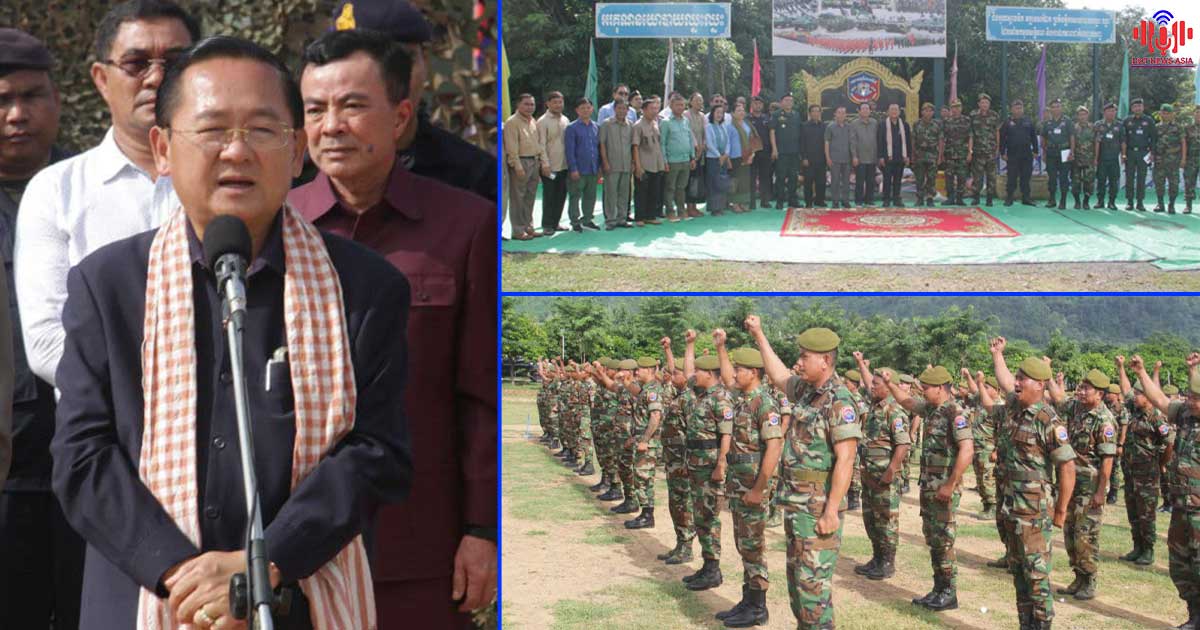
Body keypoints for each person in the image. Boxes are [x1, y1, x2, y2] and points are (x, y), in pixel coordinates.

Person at [51, 35, 412, 630]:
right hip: (145, 596)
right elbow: (82, 457)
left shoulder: (364, 287)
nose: (237, 151)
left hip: (299, 600)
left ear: (296, 152)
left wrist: (265, 565)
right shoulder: (107, 285)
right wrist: (182, 576)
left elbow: (377, 452)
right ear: (163, 149)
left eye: (263, 130)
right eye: (213, 129)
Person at [289, 28, 496, 626]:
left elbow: (482, 394)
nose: (331, 126)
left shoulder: (465, 226)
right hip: (293, 545)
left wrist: (483, 528)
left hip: (419, 543)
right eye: (314, 110)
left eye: (352, 106)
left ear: (401, 115)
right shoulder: (276, 225)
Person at [16, 0, 195, 387]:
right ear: (101, 79)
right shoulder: (56, 191)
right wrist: (155, 390)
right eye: (136, 63)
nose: (156, 77)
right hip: (102, 417)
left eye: (175, 62)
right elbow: (47, 343)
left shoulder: (231, 179)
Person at [0, 27, 82, 630]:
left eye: (31, 96)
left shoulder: (87, 188)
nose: (17, 115)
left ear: (57, 99)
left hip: (89, 457)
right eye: (2, 100)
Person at [746, 317, 860, 629]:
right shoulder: (807, 391)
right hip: (797, 506)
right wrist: (759, 335)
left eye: (805, 356)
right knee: (798, 586)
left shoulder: (840, 401)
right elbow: (779, 375)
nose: (799, 362)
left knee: (813, 590)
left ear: (825, 361)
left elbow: (846, 459)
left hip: (818, 508)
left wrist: (831, 511)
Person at [330, 0, 496, 201]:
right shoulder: (303, 176)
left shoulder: (477, 179)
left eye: (399, 62)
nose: (384, 80)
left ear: (425, 61)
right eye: (357, 65)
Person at [979, 339, 1076, 630]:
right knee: (1019, 574)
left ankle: (1042, 624)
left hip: (1034, 513)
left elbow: (1067, 467)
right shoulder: (1014, 407)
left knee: (1036, 577)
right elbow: (1004, 380)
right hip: (1011, 509)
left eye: (1023, 379)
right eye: (1018, 377)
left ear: (1040, 385)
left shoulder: (1048, 420)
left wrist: (1061, 512)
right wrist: (997, 355)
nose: (1017, 383)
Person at [885, 365, 974, 612]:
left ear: (940, 388)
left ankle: (948, 592)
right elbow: (906, 401)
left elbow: (967, 450)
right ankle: (938, 588)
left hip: (944, 490)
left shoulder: (955, 412)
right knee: (934, 538)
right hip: (930, 488)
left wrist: (950, 484)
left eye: (926, 388)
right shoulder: (932, 409)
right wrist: (890, 383)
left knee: (943, 540)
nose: (922, 392)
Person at [1123, 353, 1200, 630]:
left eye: (1196, 398)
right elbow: (1159, 400)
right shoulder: (1186, 415)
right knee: (1181, 567)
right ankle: (1195, 615)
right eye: (1190, 397)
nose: (1190, 402)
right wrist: (1142, 372)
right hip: (1181, 508)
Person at [712, 343, 785, 628]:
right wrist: (720, 347)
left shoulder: (764, 403)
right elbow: (726, 376)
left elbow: (774, 447)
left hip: (753, 486)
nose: (734, 374)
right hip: (740, 485)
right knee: (744, 544)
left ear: (753, 372)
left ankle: (757, 607)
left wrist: (759, 489)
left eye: (739, 369)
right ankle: (748, 599)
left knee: (753, 546)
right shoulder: (743, 399)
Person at [1046, 369, 1117, 601]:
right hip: (1071, 483)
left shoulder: (1104, 420)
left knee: (1085, 535)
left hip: (1090, 487)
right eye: (1081, 387)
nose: (1081, 391)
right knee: (1070, 532)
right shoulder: (1076, 407)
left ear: (1100, 394)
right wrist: (1048, 375)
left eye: (1087, 389)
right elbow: (1058, 397)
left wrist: (1100, 492)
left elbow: (1107, 461)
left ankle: (1089, 579)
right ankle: (1078, 576)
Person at [680, 331, 734, 592]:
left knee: (709, 516)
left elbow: (727, 434)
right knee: (700, 515)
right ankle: (707, 564)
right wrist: (690, 344)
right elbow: (687, 370)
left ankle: (713, 569)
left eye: (699, 372)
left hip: (710, 465)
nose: (694, 375)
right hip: (696, 464)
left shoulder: (720, 398)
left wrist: (721, 464)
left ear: (710, 374)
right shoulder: (701, 394)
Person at [850, 355, 911, 582]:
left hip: (885, 477)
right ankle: (876, 558)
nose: (871, 387)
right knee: (871, 519)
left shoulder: (894, 411)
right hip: (869, 475)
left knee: (886, 520)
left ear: (888, 386)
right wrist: (861, 365)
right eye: (872, 384)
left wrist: (891, 471)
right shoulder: (874, 407)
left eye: (876, 384)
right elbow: (868, 381)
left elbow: (903, 444)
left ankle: (887, 562)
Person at [1113, 356, 1173, 565]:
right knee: (1133, 511)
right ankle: (1137, 546)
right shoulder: (1134, 410)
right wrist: (1121, 367)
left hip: (1147, 474)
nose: (1135, 396)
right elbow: (1125, 388)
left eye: (1139, 394)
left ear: (1148, 396)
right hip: (1130, 472)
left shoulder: (1157, 417)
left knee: (1146, 514)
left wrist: (1161, 463)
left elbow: (1169, 443)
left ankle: (1148, 550)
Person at [658, 338, 695, 564]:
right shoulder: (678, 394)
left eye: (676, 374)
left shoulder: (689, 399)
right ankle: (680, 543)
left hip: (682, 462)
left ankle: (687, 547)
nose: (672, 377)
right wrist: (668, 350)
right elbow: (674, 368)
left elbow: (693, 433)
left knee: (684, 505)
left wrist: (687, 463)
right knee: (675, 504)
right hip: (673, 460)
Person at [502, 93, 548, 240]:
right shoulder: (512, 122)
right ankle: (518, 230)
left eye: (532, 104)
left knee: (530, 197)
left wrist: (541, 162)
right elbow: (511, 147)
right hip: (521, 162)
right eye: (526, 104)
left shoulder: (532, 121)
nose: (530, 107)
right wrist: (517, 166)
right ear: (518, 105)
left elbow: (538, 144)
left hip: (534, 161)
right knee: (518, 198)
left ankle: (529, 226)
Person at [564, 97, 601, 233]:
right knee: (575, 196)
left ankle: (587, 219)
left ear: (592, 109)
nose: (586, 110)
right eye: (582, 108)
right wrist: (573, 169)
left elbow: (598, 148)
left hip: (593, 168)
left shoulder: (596, 127)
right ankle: (575, 221)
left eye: (588, 107)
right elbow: (570, 150)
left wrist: (599, 167)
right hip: (578, 169)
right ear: (577, 110)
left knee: (590, 196)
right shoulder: (571, 128)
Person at [536, 91, 569, 234]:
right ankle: (547, 225)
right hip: (549, 166)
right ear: (548, 104)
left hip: (564, 165)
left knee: (561, 195)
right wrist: (545, 164)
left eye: (560, 102)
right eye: (554, 102)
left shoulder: (565, 120)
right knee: (549, 195)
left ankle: (556, 223)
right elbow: (541, 145)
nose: (558, 105)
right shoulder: (542, 121)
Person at [598, 98, 634, 230]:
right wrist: (605, 162)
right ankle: (610, 220)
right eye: (619, 108)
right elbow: (602, 144)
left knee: (624, 193)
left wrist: (633, 162)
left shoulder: (630, 125)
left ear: (628, 110)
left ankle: (622, 218)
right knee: (611, 193)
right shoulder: (607, 124)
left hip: (626, 164)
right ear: (614, 109)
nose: (622, 111)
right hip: (612, 164)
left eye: (624, 108)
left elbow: (632, 145)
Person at [661, 93, 696, 222]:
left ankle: (682, 211)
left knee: (682, 187)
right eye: (677, 105)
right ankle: (670, 212)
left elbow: (690, 140)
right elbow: (662, 143)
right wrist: (665, 161)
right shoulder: (666, 122)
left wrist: (692, 157)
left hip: (685, 160)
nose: (680, 107)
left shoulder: (686, 121)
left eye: (682, 105)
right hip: (672, 161)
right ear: (671, 106)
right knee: (670, 187)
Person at [632, 96, 665, 226]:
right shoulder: (638, 125)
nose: (654, 111)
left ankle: (650, 216)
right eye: (651, 109)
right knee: (641, 192)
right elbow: (635, 146)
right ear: (644, 110)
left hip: (656, 164)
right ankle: (639, 217)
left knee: (654, 191)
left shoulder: (655, 124)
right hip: (644, 164)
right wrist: (638, 166)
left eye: (656, 108)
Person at [1000, 100, 1037, 206]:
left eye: (1020, 108)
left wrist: (1035, 150)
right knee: (1011, 177)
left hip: (1026, 153)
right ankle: (1009, 198)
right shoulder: (1007, 122)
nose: (1019, 110)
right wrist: (1002, 152)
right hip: (1012, 154)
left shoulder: (1028, 121)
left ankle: (1026, 198)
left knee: (1026, 177)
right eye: (1016, 108)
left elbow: (1033, 136)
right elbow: (1002, 138)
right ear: (1012, 109)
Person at [1123, 97, 1155, 211]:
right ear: (1132, 108)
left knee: (1141, 178)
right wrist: (1123, 153)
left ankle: (1140, 202)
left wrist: (1152, 152)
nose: (1138, 108)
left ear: (1143, 107)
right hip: (1130, 152)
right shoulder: (1127, 121)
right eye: (1135, 106)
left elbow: (1153, 138)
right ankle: (1130, 202)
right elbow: (1123, 138)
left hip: (1144, 152)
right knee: (1129, 178)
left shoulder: (1149, 120)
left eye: (1139, 106)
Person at [770, 94, 802, 209]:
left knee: (793, 177)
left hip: (794, 151)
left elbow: (800, 132)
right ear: (781, 102)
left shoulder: (796, 115)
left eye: (791, 100)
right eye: (786, 100)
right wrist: (774, 149)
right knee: (781, 177)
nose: (789, 102)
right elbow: (772, 132)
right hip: (781, 151)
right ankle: (780, 201)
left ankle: (792, 200)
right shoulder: (776, 115)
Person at [969, 93, 1002, 206]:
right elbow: (971, 134)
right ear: (979, 104)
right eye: (982, 102)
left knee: (991, 176)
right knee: (977, 176)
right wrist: (970, 150)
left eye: (986, 103)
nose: (984, 105)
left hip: (990, 151)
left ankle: (989, 198)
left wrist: (997, 147)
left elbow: (997, 132)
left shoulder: (994, 115)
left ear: (989, 104)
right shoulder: (973, 115)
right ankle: (976, 197)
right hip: (977, 151)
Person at [1040, 98, 1073, 209]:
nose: (1056, 109)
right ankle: (1052, 199)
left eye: (1058, 106)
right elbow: (1043, 138)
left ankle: (1063, 201)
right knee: (1052, 178)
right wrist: (1044, 152)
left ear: (1061, 108)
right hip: (1051, 153)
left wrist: (1072, 151)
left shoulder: (1067, 121)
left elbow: (1072, 137)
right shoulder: (1047, 123)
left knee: (1064, 178)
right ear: (1050, 109)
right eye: (1053, 107)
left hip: (1065, 152)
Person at [876, 103, 911, 207]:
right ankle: (886, 199)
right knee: (887, 179)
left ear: (899, 112)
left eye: (896, 110)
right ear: (888, 112)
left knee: (898, 180)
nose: (894, 112)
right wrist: (881, 156)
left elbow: (908, 142)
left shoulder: (904, 125)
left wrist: (908, 156)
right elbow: (880, 141)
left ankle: (897, 199)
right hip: (887, 158)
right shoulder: (882, 125)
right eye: (892, 109)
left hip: (900, 157)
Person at [1153, 103, 1184, 213]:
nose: (1165, 115)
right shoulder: (1156, 127)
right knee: (1159, 183)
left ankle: (1171, 205)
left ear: (1172, 114)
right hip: (1159, 160)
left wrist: (1183, 158)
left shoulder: (1178, 127)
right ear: (1160, 113)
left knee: (1173, 184)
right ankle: (1160, 204)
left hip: (1173, 160)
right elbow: (1153, 143)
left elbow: (1183, 143)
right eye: (1163, 113)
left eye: (1167, 113)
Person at [911, 102, 943, 206]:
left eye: (930, 111)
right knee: (919, 178)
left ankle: (930, 198)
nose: (928, 113)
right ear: (922, 112)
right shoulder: (916, 124)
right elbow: (913, 140)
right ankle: (920, 198)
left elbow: (940, 140)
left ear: (933, 112)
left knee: (931, 178)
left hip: (932, 154)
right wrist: (912, 155)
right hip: (919, 154)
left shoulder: (937, 124)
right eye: (926, 110)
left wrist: (940, 156)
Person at [941, 100, 971, 206]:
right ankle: (950, 198)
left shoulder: (967, 120)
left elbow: (970, 137)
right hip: (949, 153)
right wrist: (941, 153)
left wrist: (970, 152)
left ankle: (960, 198)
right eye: (953, 107)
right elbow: (942, 138)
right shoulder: (946, 121)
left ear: (961, 108)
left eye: (958, 107)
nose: (956, 109)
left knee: (962, 176)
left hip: (962, 153)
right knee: (949, 176)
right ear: (951, 109)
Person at [1094, 103, 1123, 210]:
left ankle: (1112, 202)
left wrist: (1123, 155)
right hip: (1102, 158)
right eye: (1109, 111)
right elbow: (1096, 142)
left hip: (1114, 158)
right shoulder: (1098, 125)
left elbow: (1123, 141)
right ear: (1104, 112)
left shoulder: (1119, 125)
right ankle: (1100, 201)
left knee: (1113, 181)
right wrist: (1095, 158)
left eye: (1113, 111)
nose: (1111, 113)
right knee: (1101, 180)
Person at [704, 103, 732, 216]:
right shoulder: (708, 127)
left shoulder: (723, 126)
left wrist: (725, 154)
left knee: (722, 182)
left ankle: (721, 206)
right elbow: (709, 143)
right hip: (713, 159)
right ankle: (714, 208)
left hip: (723, 158)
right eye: (717, 112)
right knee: (713, 183)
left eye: (721, 113)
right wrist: (718, 155)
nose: (719, 115)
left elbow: (728, 142)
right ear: (713, 114)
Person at [850, 102, 879, 207]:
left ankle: (869, 200)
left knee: (871, 181)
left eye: (867, 108)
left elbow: (878, 139)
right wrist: (854, 156)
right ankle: (858, 201)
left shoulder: (875, 123)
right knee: (860, 181)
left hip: (872, 157)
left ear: (870, 111)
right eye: (863, 108)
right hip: (860, 157)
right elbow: (853, 141)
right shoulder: (854, 124)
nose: (865, 110)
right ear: (859, 111)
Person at [729, 102, 755, 213]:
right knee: (736, 181)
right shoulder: (729, 126)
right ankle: (734, 204)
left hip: (747, 156)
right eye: (738, 110)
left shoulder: (747, 124)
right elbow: (727, 143)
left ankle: (743, 203)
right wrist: (727, 158)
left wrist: (752, 155)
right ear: (733, 113)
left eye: (743, 110)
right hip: (734, 157)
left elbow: (752, 140)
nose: (741, 112)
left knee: (745, 181)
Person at [684, 92, 707, 217]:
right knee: (690, 180)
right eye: (697, 100)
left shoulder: (702, 116)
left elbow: (705, 132)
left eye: (701, 100)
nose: (699, 102)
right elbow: (689, 132)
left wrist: (703, 145)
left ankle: (694, 206)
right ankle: (689, 207)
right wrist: (696, 146)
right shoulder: (686, 115)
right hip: (690, 152)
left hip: (700, 152)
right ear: (691, 102)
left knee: (697, 179)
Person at [800, 104, 827, 208]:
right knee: (808, 182)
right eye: (813, 111)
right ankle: (808, 202)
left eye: (818, 111)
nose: (816, 113)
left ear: (820, 113)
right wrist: (804, 157)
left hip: (821, 159)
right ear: (810, 113)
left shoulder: (824, 126)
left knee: (821, 182)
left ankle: (819, 200)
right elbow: (802, 143)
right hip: (808, 159)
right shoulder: (804, 126)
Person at [825, 105, 852, 208]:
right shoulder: (830, 127)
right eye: (839, 112)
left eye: (843, 113)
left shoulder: (849, 127)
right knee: (835, 181)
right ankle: (835, 201)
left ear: (846, 115)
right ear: (835, 114)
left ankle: (845, 201)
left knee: (846, 182)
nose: (841, 115)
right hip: (834, 159)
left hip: (847, 159)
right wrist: (828, 157)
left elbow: (852, 143)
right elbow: (826, 143)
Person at [749, 96, 773, 209]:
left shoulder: (767, 118)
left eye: (759, 104)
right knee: (751, 177)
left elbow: (772, 134)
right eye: (755, 103)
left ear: (762, 106)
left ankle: (765, 201)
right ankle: (751, 202)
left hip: (765, 152)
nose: (757, 105)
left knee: (765, 177)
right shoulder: (747, 119)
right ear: (751, 105)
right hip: (752, 153)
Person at [1071, 105, 1096, 209]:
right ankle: (1077, 201)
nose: (1082, 116)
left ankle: (1086, 201)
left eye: (1084, 114)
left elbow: (1096, 143)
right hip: (1076, 159)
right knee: (1075, 182)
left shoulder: (1093, 128)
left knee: (1089, 182)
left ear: (1087, 115)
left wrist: (1096, 158)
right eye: (1080, 114)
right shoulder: (1073, 128)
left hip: (1089, 159)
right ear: (1077, 116)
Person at [1185, 106, 1200, 213]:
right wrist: (1184, 158)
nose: (1199, 115)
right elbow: (1184, 144)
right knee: (1189, 183)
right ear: (1193, 114)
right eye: (1197, 112)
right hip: (1191, 159)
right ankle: (1188, 205)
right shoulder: (1188, 128)